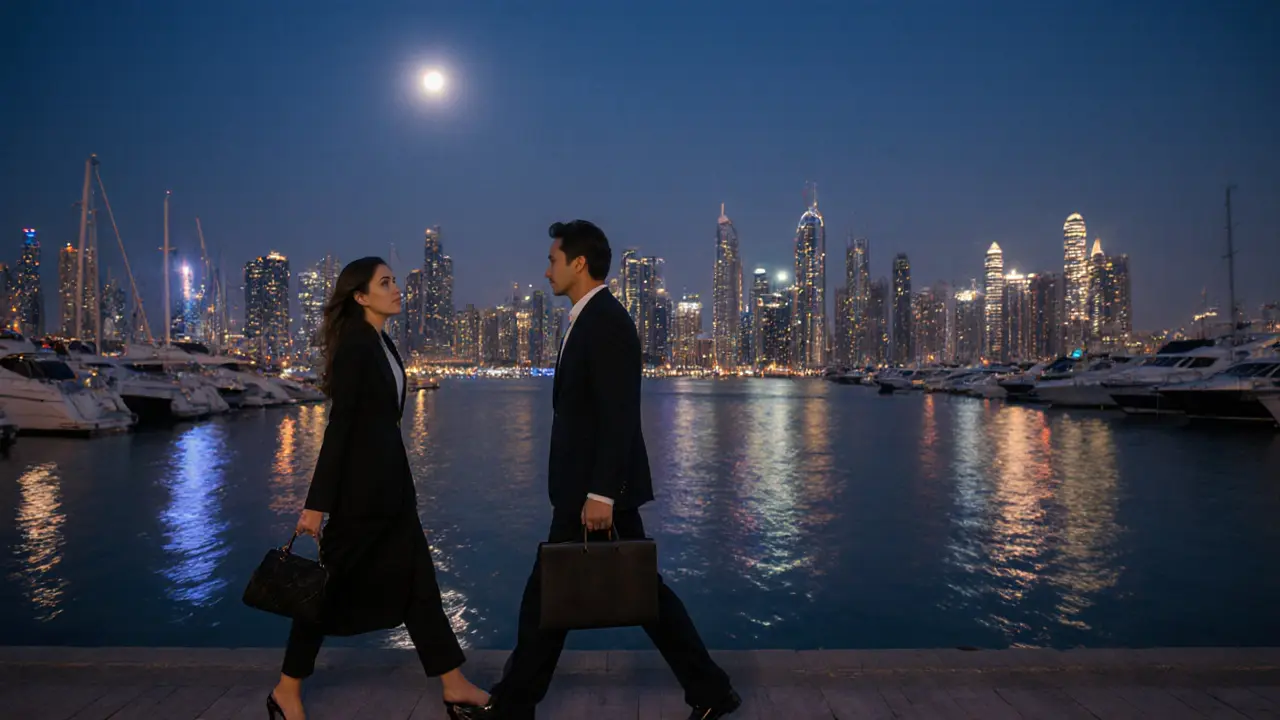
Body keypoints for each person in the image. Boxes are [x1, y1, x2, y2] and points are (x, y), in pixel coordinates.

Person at [482, 221, 741, 720]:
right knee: (623, 595)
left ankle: (513, 706)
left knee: (564, 597)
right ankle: (711, 690)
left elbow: (619, 412)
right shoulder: (588, 318)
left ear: (579, 263)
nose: (546, 270)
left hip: (595, 494)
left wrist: (602, 492)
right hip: (585, 491)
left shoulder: (607, 322)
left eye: (553, 260)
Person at [267, 257, 491, 720]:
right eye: (385, 283)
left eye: (394, 281)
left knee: (420, 586)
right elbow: (341, 427)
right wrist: (316, 505)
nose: (396, 289)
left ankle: (454, 684)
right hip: (360, 497)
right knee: (326, 589)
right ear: (361, 296)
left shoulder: (381, 341)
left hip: (393, 489)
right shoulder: (355, 347)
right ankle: (286, 688)